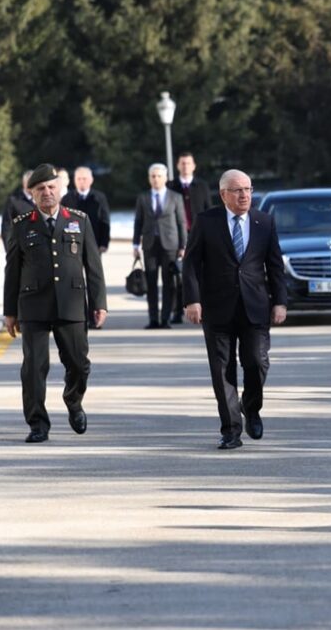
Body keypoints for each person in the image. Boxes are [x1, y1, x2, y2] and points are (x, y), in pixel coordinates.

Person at [2, 164, 107, 443]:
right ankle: (37, 423)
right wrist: (9, 311)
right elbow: (12, 269)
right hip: (33, 304)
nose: (47, 193)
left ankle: (73, 401)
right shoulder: (22, 224)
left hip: (71, 302)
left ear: (60, 188)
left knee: (79, 364)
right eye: (40, 189)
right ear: (31, 194)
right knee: (33, 368)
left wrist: (99, 303)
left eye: (51, 187)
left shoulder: (79, 220)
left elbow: (93, 266)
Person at [183, 169, 287, 450]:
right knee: (222, 371)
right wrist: (192, 300)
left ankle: (250, 407)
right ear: (223, 194)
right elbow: (191, 263)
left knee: (257, 361)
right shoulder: (207, 222)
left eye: (248, 189)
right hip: (217, 309)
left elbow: (275, 265)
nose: (244, 195)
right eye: (238, 190)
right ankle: (231, 429)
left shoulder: (264, 222)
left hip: (255, 307)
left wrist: (280, 301)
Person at [133, 163, 187, 329]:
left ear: (165, 178)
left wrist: (183, 245)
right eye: (153, 176)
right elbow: (138, 222)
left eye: (159, 176)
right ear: (149, 178)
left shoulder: (175, 197)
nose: (156, 179)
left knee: (169, 283)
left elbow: (181, 222)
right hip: (150, 245)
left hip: (170, 245)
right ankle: (153, 319)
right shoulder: (143, 197)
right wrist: (135, 244)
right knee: (151, 283)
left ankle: (166, 319)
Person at [167, 152, 215, 324]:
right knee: (178, 276)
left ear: (194, 165)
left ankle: (202, 308)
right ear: (178, 166)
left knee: (201, 274)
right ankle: (177, 310)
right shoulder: (170, 186)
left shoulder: (201, 186)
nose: (185, 166)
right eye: (182, 163)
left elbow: (208, 209)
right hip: (177, 237)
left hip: (199, 235)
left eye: (188, 163)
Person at [61, 167, 111, 253]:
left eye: (84, 179)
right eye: (78, 179)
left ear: (91, 180)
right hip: (73, 244)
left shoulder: (99, 198)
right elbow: (61, 222)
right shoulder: (67, 199)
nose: (81, 181)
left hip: (94, 243)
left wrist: (104, 243)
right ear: (74, 180)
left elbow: (105, 221)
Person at [1, 170, 36, 251]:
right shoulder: (14, 201)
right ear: (24, 183)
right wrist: (10, 251)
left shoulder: (41, 200)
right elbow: (6, 228)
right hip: (20, 249)